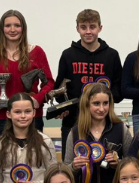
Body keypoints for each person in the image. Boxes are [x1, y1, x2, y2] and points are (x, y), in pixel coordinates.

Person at [55, 9, 124, 155]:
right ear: (77, 29)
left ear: (100, 28)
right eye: (83, 27)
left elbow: (119, 90)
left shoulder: (112, 55)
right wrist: (63, 107)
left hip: (105, 124)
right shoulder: (68, 55)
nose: (88, 31)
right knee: (72, 165)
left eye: (92, 27)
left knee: (106, 163)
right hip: (72, 122)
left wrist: (103, 103)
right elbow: (59, 88)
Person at [0, 10, 55, 139]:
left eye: (17, 25)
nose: (12, 29)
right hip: (2, 117)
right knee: (3, 152)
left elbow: (49, 82)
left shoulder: (37, 52)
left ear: (23, 28)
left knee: (33, 151)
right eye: (8, 25)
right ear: (2, 29)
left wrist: (37, 99)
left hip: (31, 116)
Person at [65, 83, 133, 183]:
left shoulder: (121, 129)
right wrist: (74, 166)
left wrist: (119, 164)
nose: (102, 109)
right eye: (96, 103)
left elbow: (133, 166)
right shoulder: (74, 133)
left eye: (105, 103)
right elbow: (65, 171)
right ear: (86, 104)